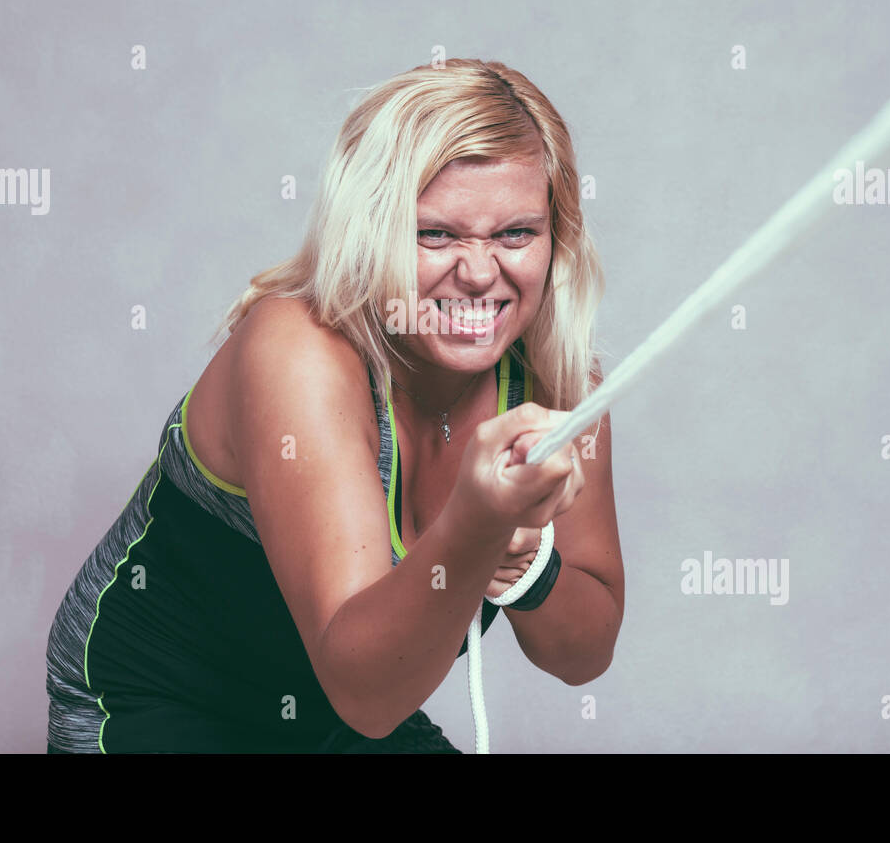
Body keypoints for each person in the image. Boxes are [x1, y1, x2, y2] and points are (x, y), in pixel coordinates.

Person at [44, 58, 623, 752]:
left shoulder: (561, 381)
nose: (477, 273)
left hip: (334, 720)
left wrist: (527, 567)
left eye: (515, 234)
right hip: (162, 706)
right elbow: (367, 694)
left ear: (556, 239)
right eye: (435, 234)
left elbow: (582, 655)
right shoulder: (298, 347)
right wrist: (477, 523)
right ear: (371, 231)